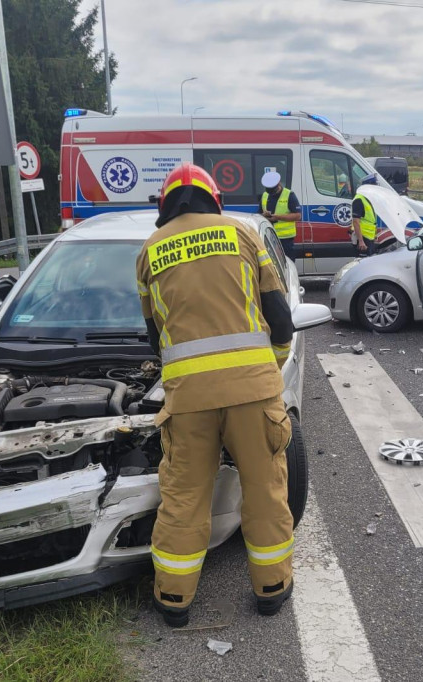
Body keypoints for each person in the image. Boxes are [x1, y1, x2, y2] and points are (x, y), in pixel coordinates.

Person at [136, 163, 296, 628]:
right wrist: (271, 368)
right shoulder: (243, 234)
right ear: (214, 199)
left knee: (184, 497)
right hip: (253, 392)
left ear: (165, 205)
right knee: (265, 491)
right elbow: (280, 318)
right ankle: (271, 589)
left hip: (188, 399)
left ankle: (173, 598)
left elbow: (155, 338)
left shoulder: (149, 251)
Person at [258, 171, 300, 261]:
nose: (271, 193)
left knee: (287, 262)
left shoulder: (289, 195)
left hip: (285, 239)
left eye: (273, 191)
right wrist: (264, 215)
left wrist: (278, 217)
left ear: (278, 184)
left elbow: (297, 216)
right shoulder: (265, 195)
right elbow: (259, 214)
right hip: (268, 236)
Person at [351, 174, 379, 256]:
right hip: (363, 238)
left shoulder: (368, 198)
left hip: (368, 238)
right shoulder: (359, 199)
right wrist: (361, 241)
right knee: (362, 264)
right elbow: (356, 222)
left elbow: (370, 220)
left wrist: (374, 235)